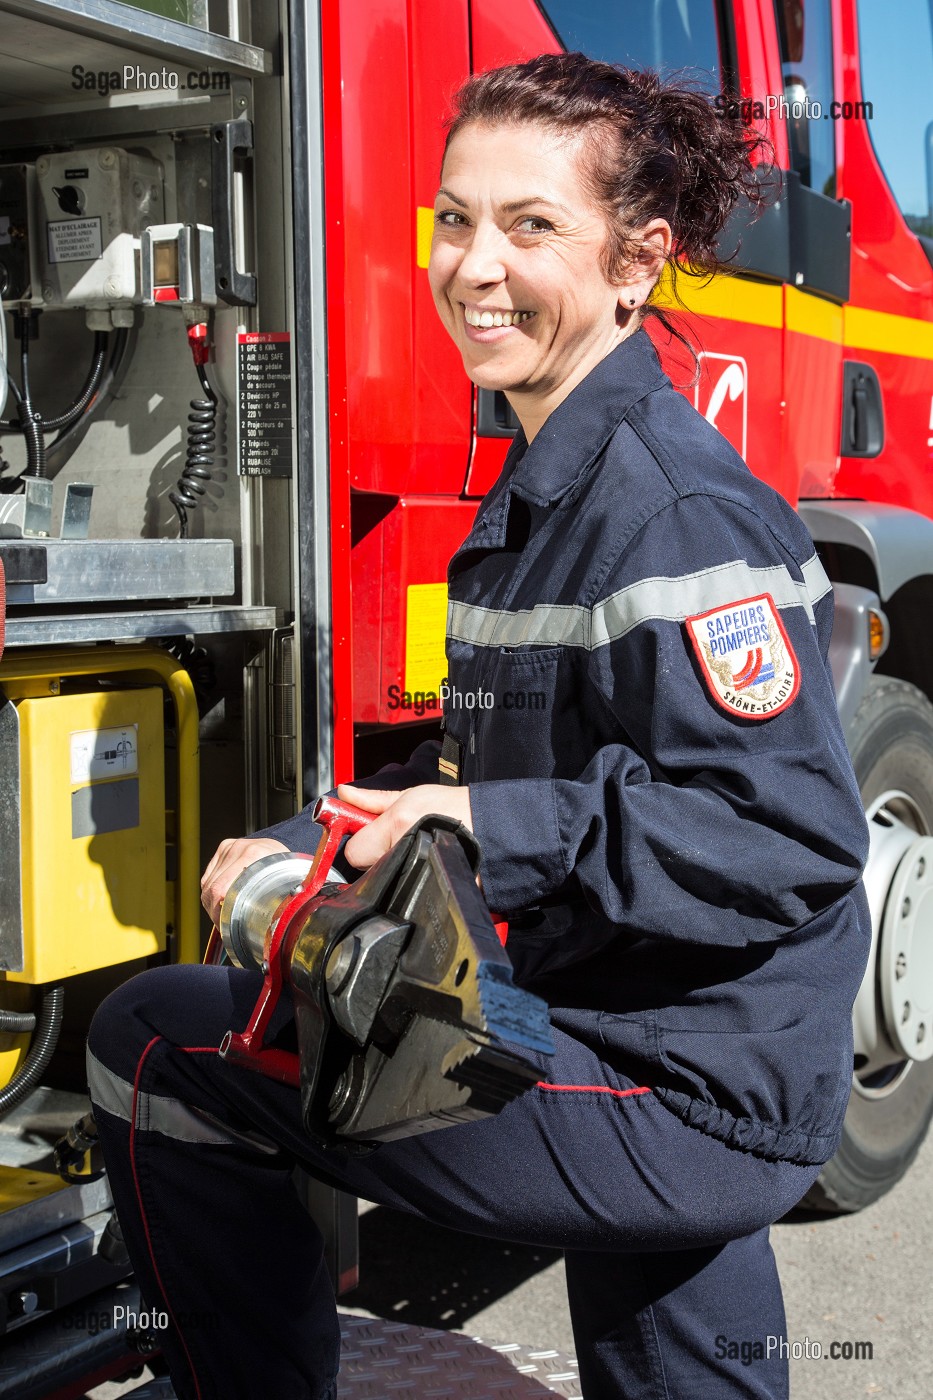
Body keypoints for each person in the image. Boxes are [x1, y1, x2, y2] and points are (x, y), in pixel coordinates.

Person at [87, 53, 871, 1400]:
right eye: (454, 219)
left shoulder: (664, 510)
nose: (473, 266)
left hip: (676, 1081)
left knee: (154, 1042)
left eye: (529, 226)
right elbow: (472, 767)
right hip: (678, 1039)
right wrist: (311, 837)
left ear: (639, 261)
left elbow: (784, 834)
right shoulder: (548, 485)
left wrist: (487, 826)